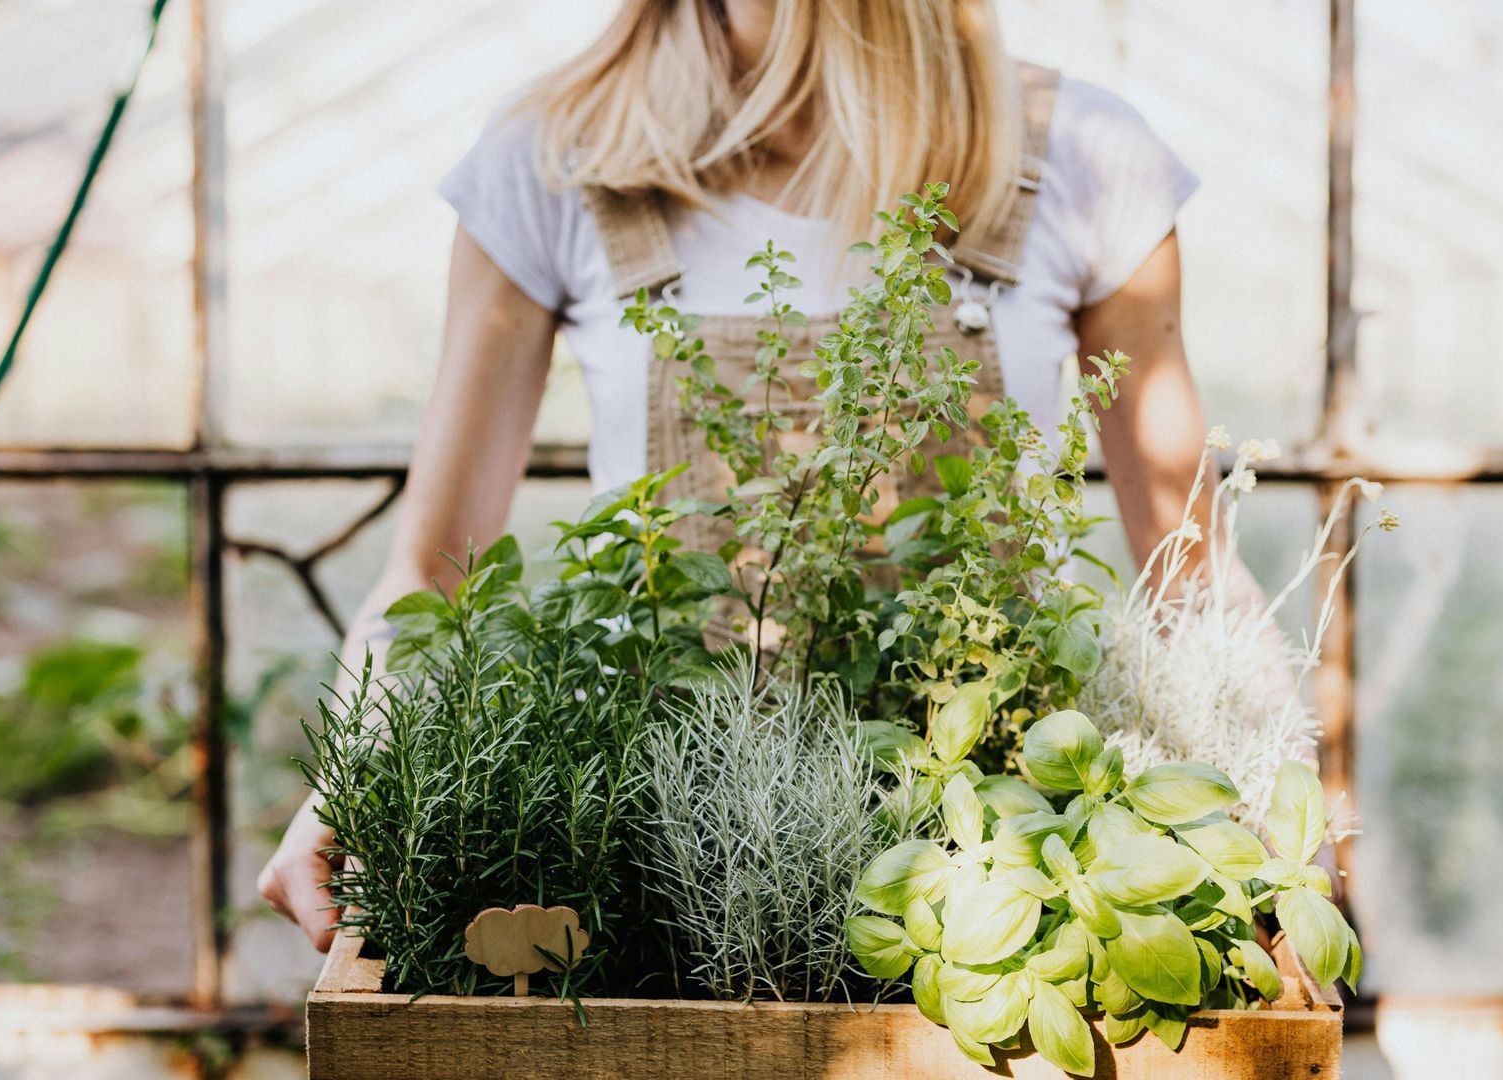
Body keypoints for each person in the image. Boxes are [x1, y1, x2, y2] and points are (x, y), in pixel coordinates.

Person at [260, 0, 1212, 952]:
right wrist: (357, 771)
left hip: (992, 868)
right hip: (667, 868)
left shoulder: (1083, 157)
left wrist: (1286, 808)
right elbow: (433, 573)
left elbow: (1192, 577)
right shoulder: (559, 155)